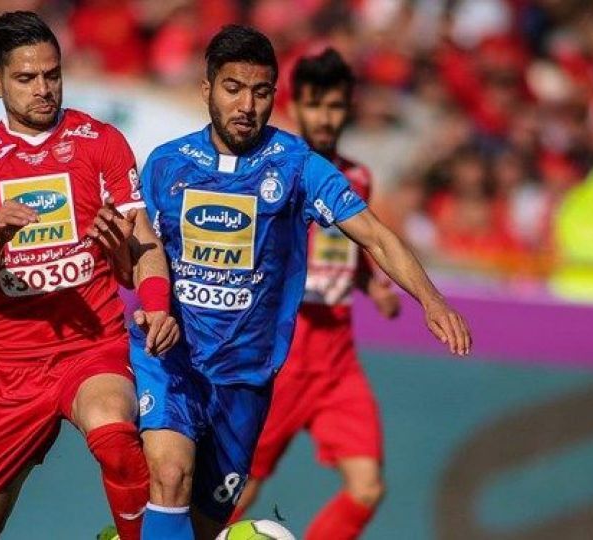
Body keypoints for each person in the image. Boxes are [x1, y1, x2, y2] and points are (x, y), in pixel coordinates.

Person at [115, 26, 471, 539]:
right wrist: (142, 291)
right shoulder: (166, 164)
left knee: (203, 526)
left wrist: (431, 301)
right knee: (170, 474)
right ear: (207, 89)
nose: (247, 105)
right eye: (233, 88)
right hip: (173, 359)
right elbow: (139, 252)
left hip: (246, 375)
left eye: (260, 92)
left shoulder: (298, 165)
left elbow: (374, 234)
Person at [0, 12, 178, 540]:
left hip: (92, 345)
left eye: (52, 75)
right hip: (12, 363)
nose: (43, 89)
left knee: (114, 433)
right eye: (27, 78)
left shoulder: (100, 141)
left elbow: (143, 239)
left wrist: (157, 304)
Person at [230, 47, 399, 540]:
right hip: (281, 357)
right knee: (238, 489)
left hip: (337, 359)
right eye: (314, 105)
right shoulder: (269, 172)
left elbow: (350, 245)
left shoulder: (357, 178)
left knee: (367, 487)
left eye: (335, 106)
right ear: (294, 106)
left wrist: (372, 284)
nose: (325, 118)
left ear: (348, 109)